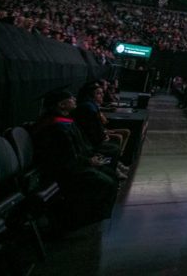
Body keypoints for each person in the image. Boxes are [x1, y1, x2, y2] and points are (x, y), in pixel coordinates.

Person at [31, 88, 120, 230]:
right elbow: (63, 155)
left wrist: (90, 157)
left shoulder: (64, 122)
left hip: (74, 162)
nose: (74, 100)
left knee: (110, 174)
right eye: (71, 99)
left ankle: (91, 218)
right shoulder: (56, 126)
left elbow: (76, 148)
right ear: (61, 105)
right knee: (106, 182)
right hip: (62, 170)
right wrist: (89, 161)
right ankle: (80, 222)